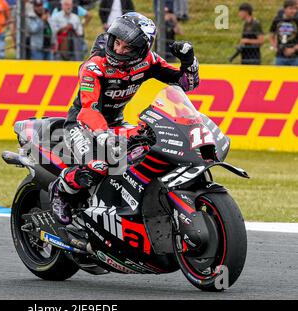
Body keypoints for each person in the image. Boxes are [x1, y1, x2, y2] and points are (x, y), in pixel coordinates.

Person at [48, 12, 200, 224]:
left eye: (127, 47)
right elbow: (88, 108)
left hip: (116, 123)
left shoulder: (148, 62)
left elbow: (186, 85)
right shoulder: (94, 66)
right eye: (116, 42)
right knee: (98, 166)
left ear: (140, 51)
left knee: (150, 151)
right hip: (82, 123)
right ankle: (61, 189)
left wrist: (188, 60)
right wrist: (102, 135)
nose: (118, 50)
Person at [269, 0, 298, 66]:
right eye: (291, 8)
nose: (293, 11)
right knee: (279, 76)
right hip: (280, 57)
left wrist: (293, 49)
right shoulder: (277, 19)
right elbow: (271, 34)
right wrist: (275, 47)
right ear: (285, 9)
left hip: (296, 57)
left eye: (295, 9)